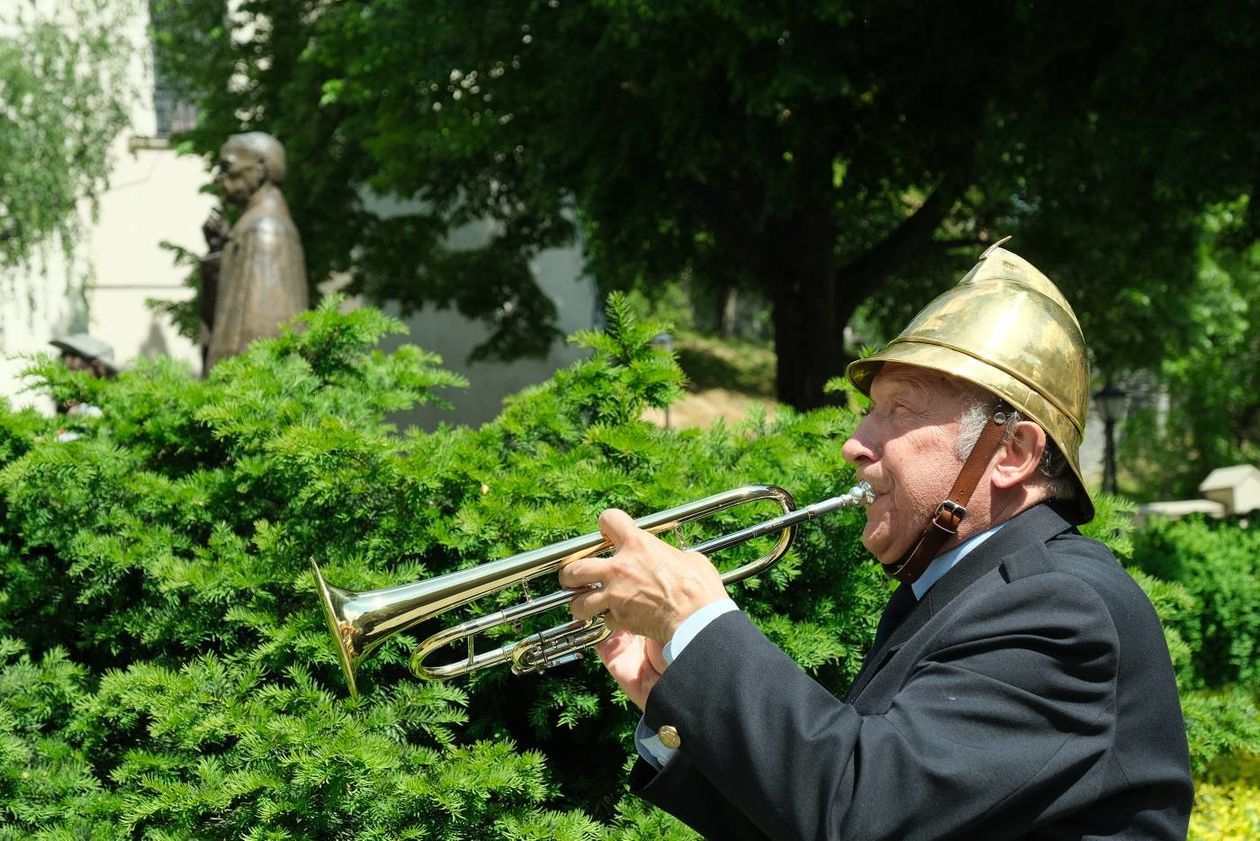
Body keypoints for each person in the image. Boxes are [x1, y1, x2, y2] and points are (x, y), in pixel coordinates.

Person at [559, 243, 1193, 840]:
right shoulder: (958, 594)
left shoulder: (1059, 607)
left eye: (901, 411)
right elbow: (822, 819)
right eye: (870, 410)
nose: (856, 443)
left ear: (1012, 452)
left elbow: (863, 813)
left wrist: (694, 621)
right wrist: (670, 694)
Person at [200, 131, 308, 374]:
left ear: (260, 169)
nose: (220, 177)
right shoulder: (250, 225)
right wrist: (218, 250)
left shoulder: (264, 229)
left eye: (228, 166)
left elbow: (261, 334)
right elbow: (226, 315)